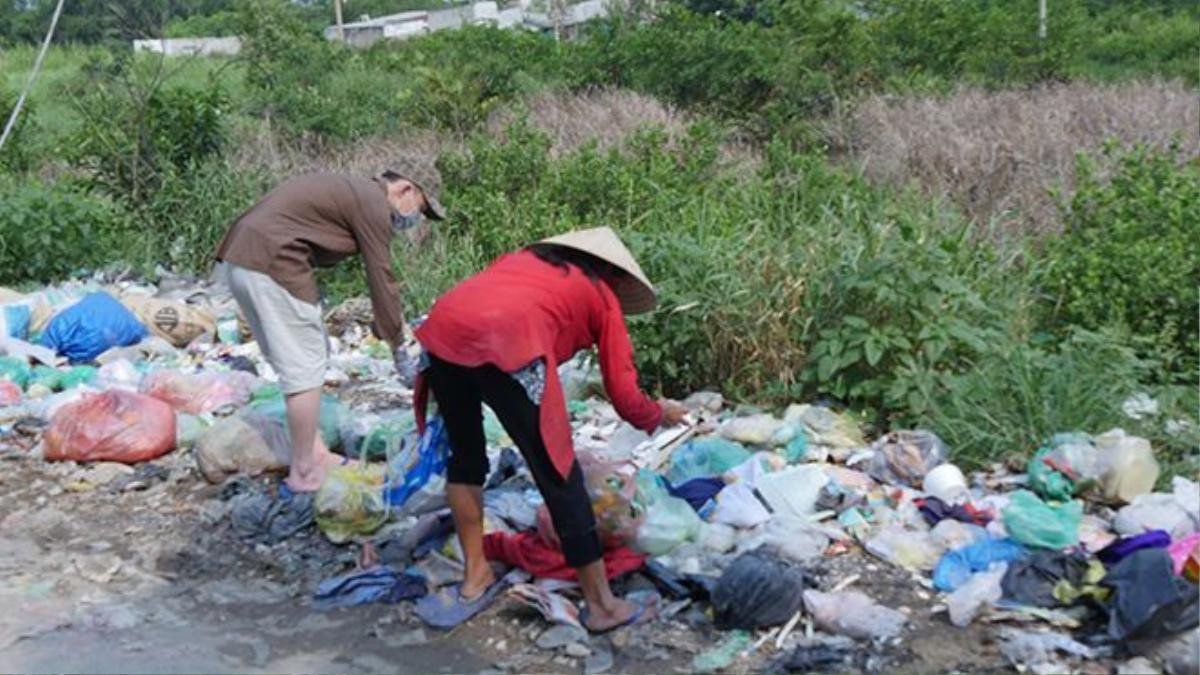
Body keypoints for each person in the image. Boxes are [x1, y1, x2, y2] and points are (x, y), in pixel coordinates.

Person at [412, 226, 689, 632]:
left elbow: (483, 307)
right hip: (508, 342)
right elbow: (624, 395)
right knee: (558, 473)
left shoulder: (519, 262)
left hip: (442, 333)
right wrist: (657, 414)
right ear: (614, 274)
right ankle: (601, 606)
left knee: (466, 457)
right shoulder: (599, 293)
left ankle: (475, 577)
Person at [214, 161, 445, 492]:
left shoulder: (355, 191)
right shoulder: (374, 202)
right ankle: (305, 471)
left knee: (304, 357)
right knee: (305, 365)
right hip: (272, 262)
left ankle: (314, 452)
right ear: (406, 189)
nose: (414, 219)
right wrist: (398, 346)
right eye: (419, 209)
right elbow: (381, 276)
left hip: (245, 259)